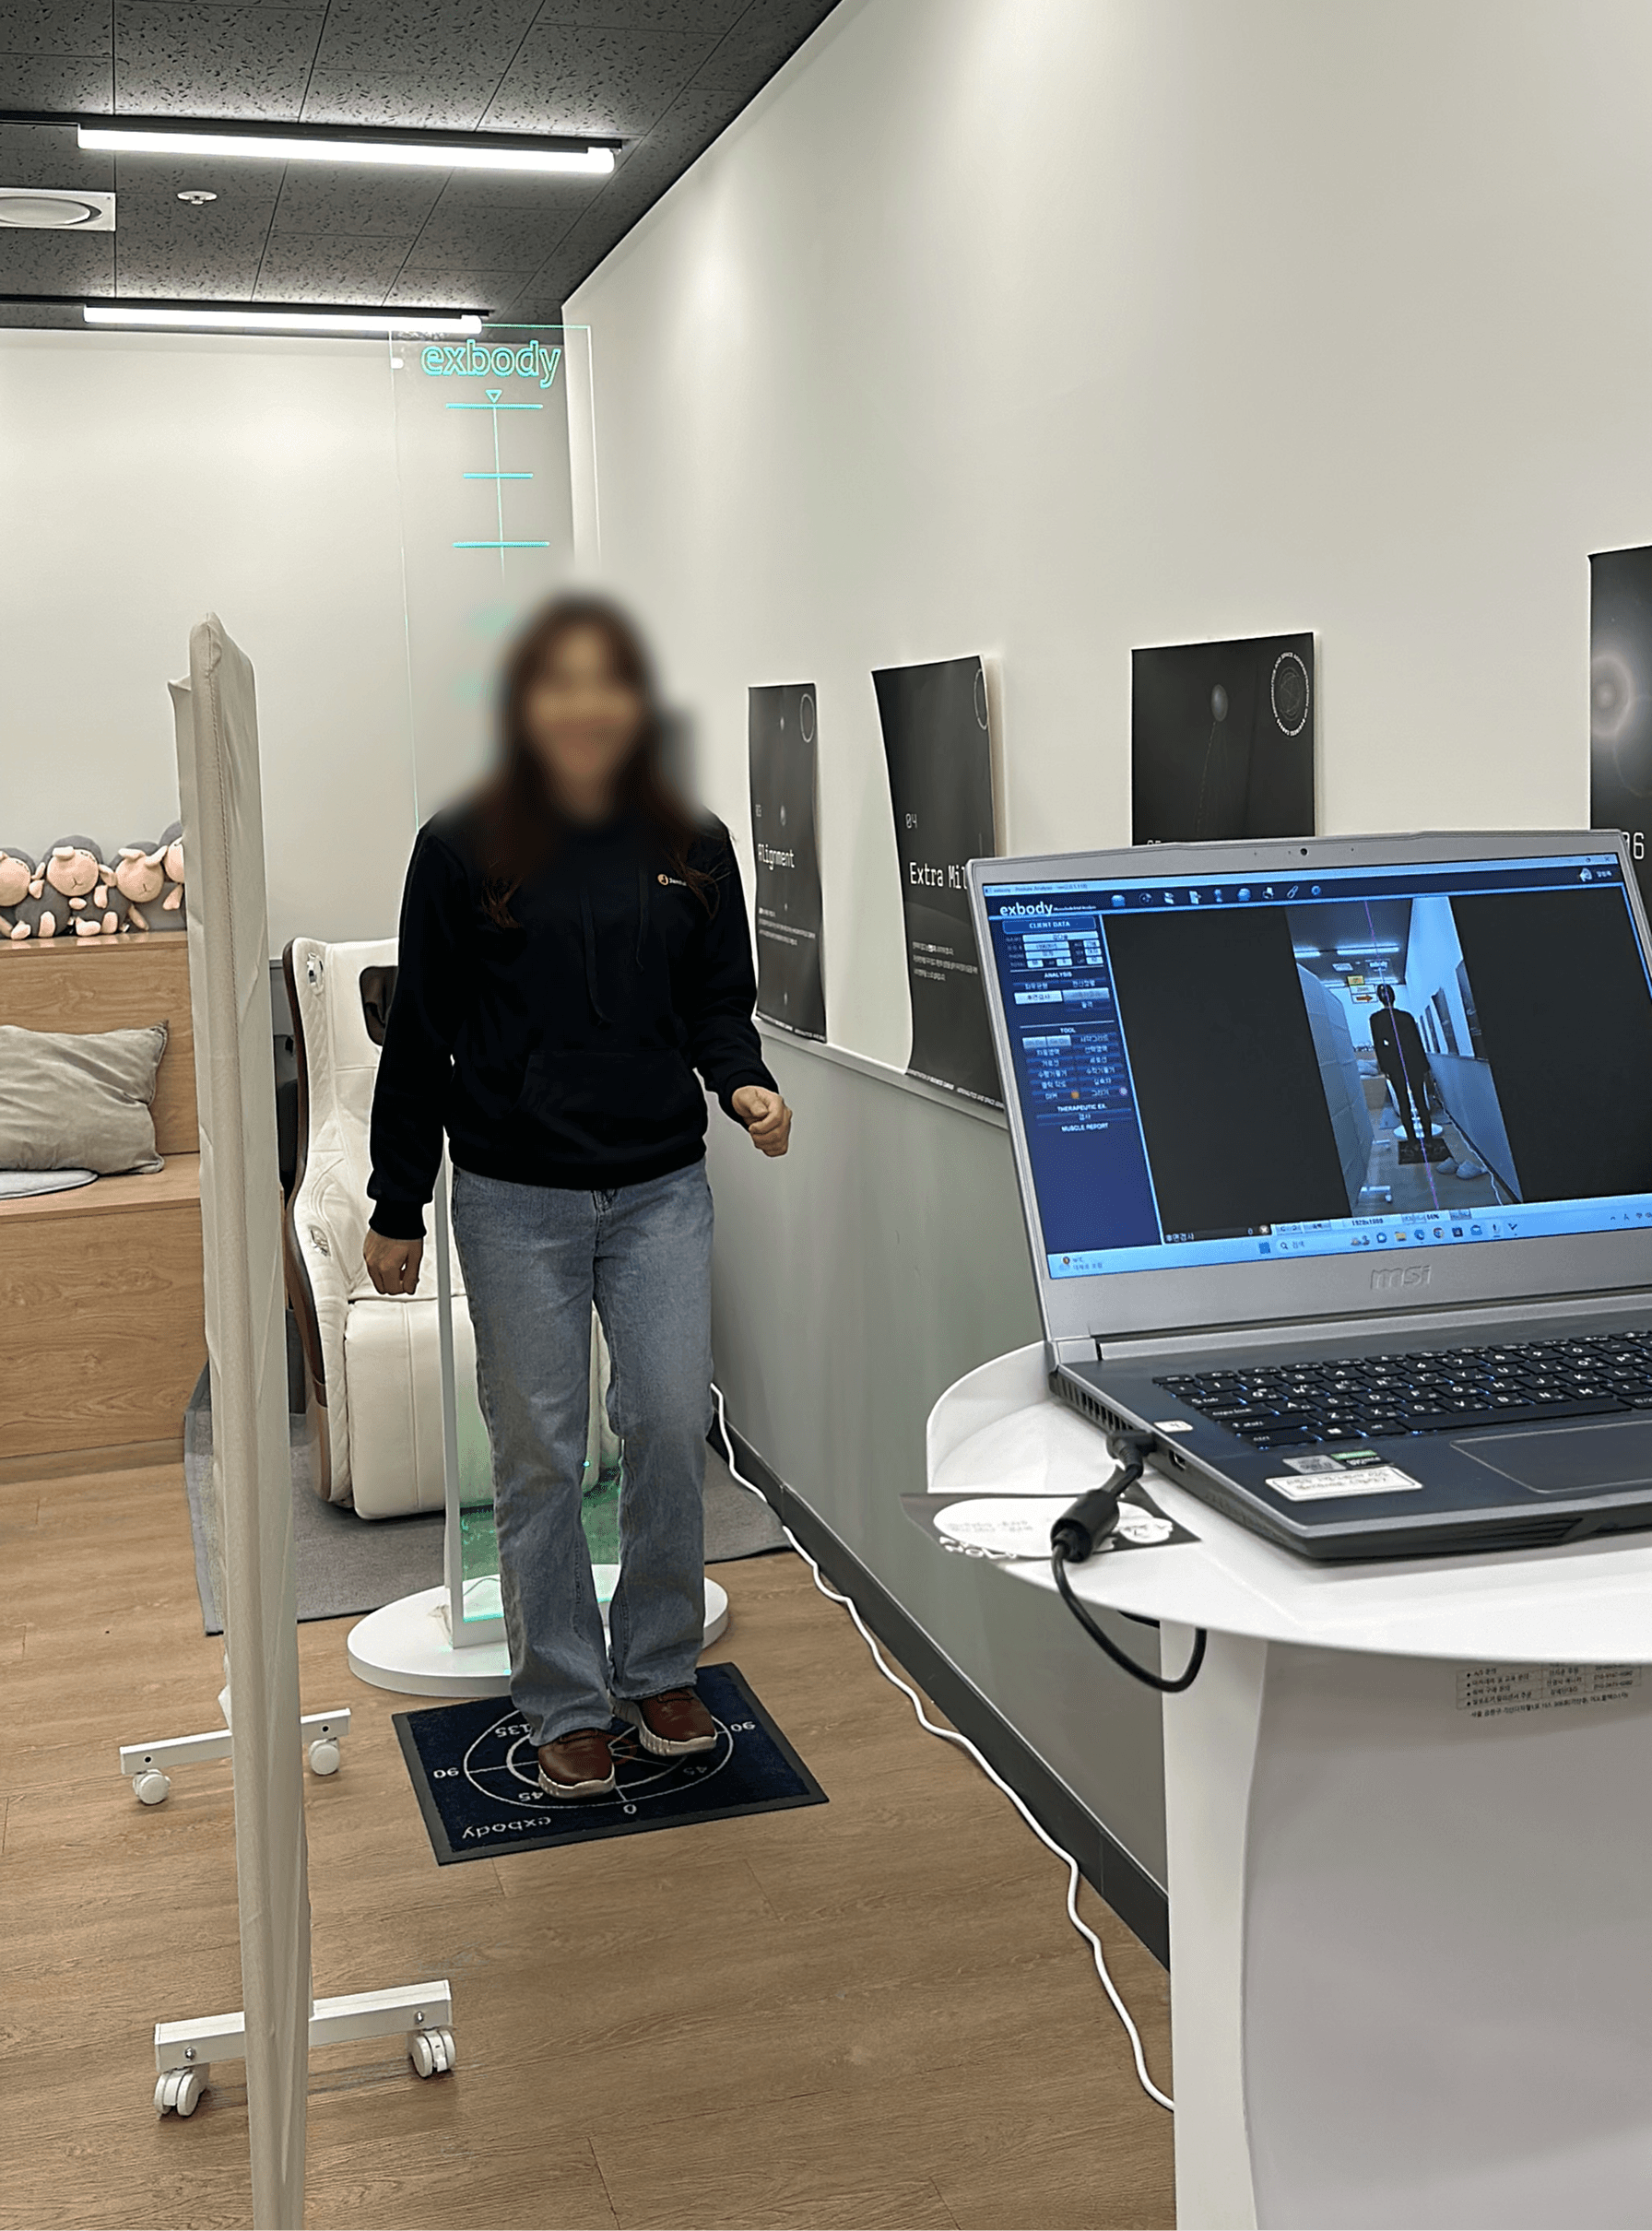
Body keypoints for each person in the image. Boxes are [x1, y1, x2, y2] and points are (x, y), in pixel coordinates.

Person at [362, 596, 792, 1800]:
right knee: (541, 1455)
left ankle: (657, 1665)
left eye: (608, 682)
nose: (585, 705)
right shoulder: (461, 846)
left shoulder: (693, 841)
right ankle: (561, 1695)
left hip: (660, 1192)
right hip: (514, 1198)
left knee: (665, 1421)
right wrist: (397, 1201)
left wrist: (744, 1083)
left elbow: (716, 1003)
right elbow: (421, 1035)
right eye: (560, 684)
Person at [1369, 982, 1448, 1164]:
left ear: (1380, 998)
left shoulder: (1376, 1019)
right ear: (1394, 996)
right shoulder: (1406, 1017)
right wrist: (1424, 1066)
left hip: (1395, 1067)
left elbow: (1379, 1046)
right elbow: (1416, 1042)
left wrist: (1385, 1068)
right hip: (1414, 1064)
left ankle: (1412, 1141)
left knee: (1403, 1103)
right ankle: (1428, 1139)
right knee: (1420, 1101)